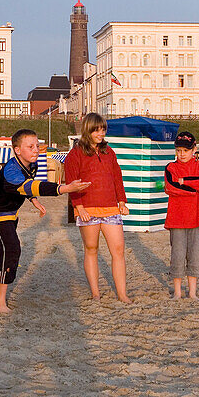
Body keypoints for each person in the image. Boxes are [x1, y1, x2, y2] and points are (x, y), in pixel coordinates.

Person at [0, 128, 90, 313]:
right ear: (17, 150)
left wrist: (34, 200)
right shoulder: (12, 169)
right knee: (11, 248)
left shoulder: (33, 164)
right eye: (30, 147)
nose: (36, 150)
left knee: (0, 249)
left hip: (10, 210)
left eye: (37, 146)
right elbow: (26, 185)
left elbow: (26, 188)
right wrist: (65, 188)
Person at [64, 112, 131, 303]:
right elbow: (71, 182)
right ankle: (95, 293)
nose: (101, 133)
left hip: (111, 207)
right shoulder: (75, 154)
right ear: (88, 130)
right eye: (97, 130)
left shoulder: (108, 152)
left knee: (118, 250)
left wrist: (122, 202)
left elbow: (117, 177)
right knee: (91, 249)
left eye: (103, 129)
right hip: (87, 209)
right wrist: (79, 207)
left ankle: (122, 294)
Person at [163, 132, 199, 300]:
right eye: (179, 150)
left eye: (186, 150)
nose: (182, 154)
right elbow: (171, 187)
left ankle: (192, 293)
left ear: (194, 150)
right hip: (176, 218)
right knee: (177, 255)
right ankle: (177, 292)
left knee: (195, 254)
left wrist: (184, 181)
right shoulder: (171, 167)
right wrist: (193, 188)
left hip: (197, 217)